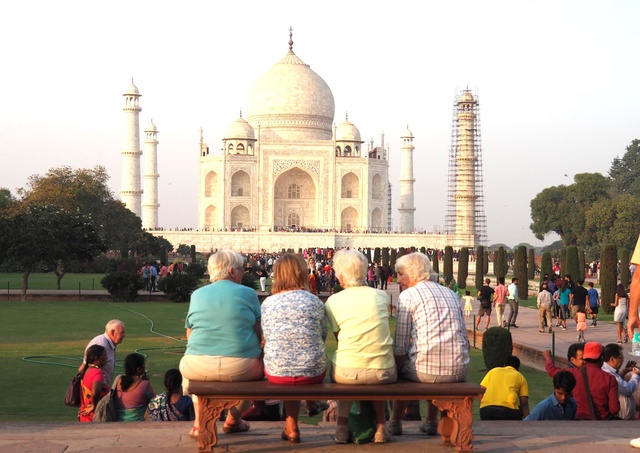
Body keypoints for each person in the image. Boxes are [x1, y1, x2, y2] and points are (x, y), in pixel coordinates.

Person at [179, 250, 264, 439]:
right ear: (232, 271)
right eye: (242, 270)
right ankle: (233, 419)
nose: (243, 273)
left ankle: (199, 422)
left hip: (197, 365)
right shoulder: (248, 293)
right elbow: (258, 332)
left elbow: (190, 332)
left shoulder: (198, 294)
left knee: (189, 367)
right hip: (241, 366)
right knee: (257, 371)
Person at [388, 252, 469, 436]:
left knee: (400, 369)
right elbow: (464, 337)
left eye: (401, 274)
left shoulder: (408, 296)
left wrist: (395, 369)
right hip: (459, 369)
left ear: (413, 273)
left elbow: (400, 346)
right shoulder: (450, 293)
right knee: (432, 359)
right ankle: (431, 421)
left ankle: (395, 422)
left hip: (426, 371)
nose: (398, 280)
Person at [325, 249, 396, 444]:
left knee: (347, 367)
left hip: (348, 372)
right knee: (375, 366)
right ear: (365, 271)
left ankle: (341, 425)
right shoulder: (380, 296)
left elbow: (339, 339)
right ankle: (382, 425)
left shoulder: (333, 301)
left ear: (339, 276)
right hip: (384, 371)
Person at [261, 253, 327, 444]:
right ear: (302, 274)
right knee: (297, 364)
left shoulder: (268, 303)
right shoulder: (314, 301)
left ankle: (292, 427)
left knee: (287, 365)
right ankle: (293, 425)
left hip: (277, 371)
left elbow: (269, 337)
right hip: (313, 371)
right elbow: (321, 337)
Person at [544, 342, 619, 420]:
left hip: (578, 421)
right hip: (601, 423)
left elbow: (551, 370)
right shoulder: (609, 379)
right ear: (602, 357)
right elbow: (614, 409)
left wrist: (548, 358)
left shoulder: (573, 373)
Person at [479, 356, 529, 420]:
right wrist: (529, 422)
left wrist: (483, 403)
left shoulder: (493, 371)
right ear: (518, 369)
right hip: (508, 411)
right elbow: (524, 403)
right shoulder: (520, 377)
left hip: (486, 410)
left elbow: (481, 390)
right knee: (520, 410)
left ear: (504, 365)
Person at [79, 319, 126, 385]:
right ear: (112, 332)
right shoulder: (101, 344)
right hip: (96, 388)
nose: (124, 335)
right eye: (122, 332)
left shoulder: (108, 343)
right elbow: (87, 367)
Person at [601, 343, 640, 420]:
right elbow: (627, 389)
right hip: (621, 417)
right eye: (620, 358)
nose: (622, 361)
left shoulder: (610, 371)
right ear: (612, 359)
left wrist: (625, 371)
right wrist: (635, 375)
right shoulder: (609, 373)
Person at [115, 353, 156, 421]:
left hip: (119, 421)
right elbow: (154, 401)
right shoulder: (144, 384)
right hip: (138, 423)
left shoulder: (119, 381)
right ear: (139, 369)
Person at [78, 344, 109, 422]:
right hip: (94, 416)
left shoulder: (87, 370)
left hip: (84, 414)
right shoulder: (97, 373)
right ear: (97, 359)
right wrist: (94, 406)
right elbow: (95, 392)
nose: (106, 358)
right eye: (104, 356)